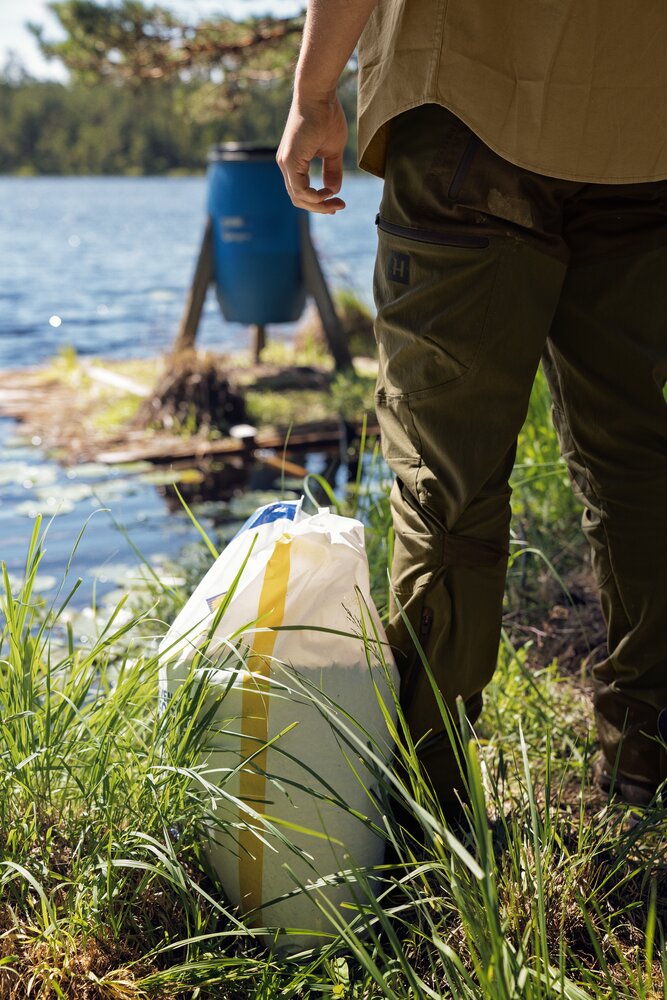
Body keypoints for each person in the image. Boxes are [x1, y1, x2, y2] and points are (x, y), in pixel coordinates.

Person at [277, 0, 667, 815]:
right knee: (632, 460)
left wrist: (314, 90)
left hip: (467, 106)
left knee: (444, 481)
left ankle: (428, 806)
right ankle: (643, 762)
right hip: (645, 125)